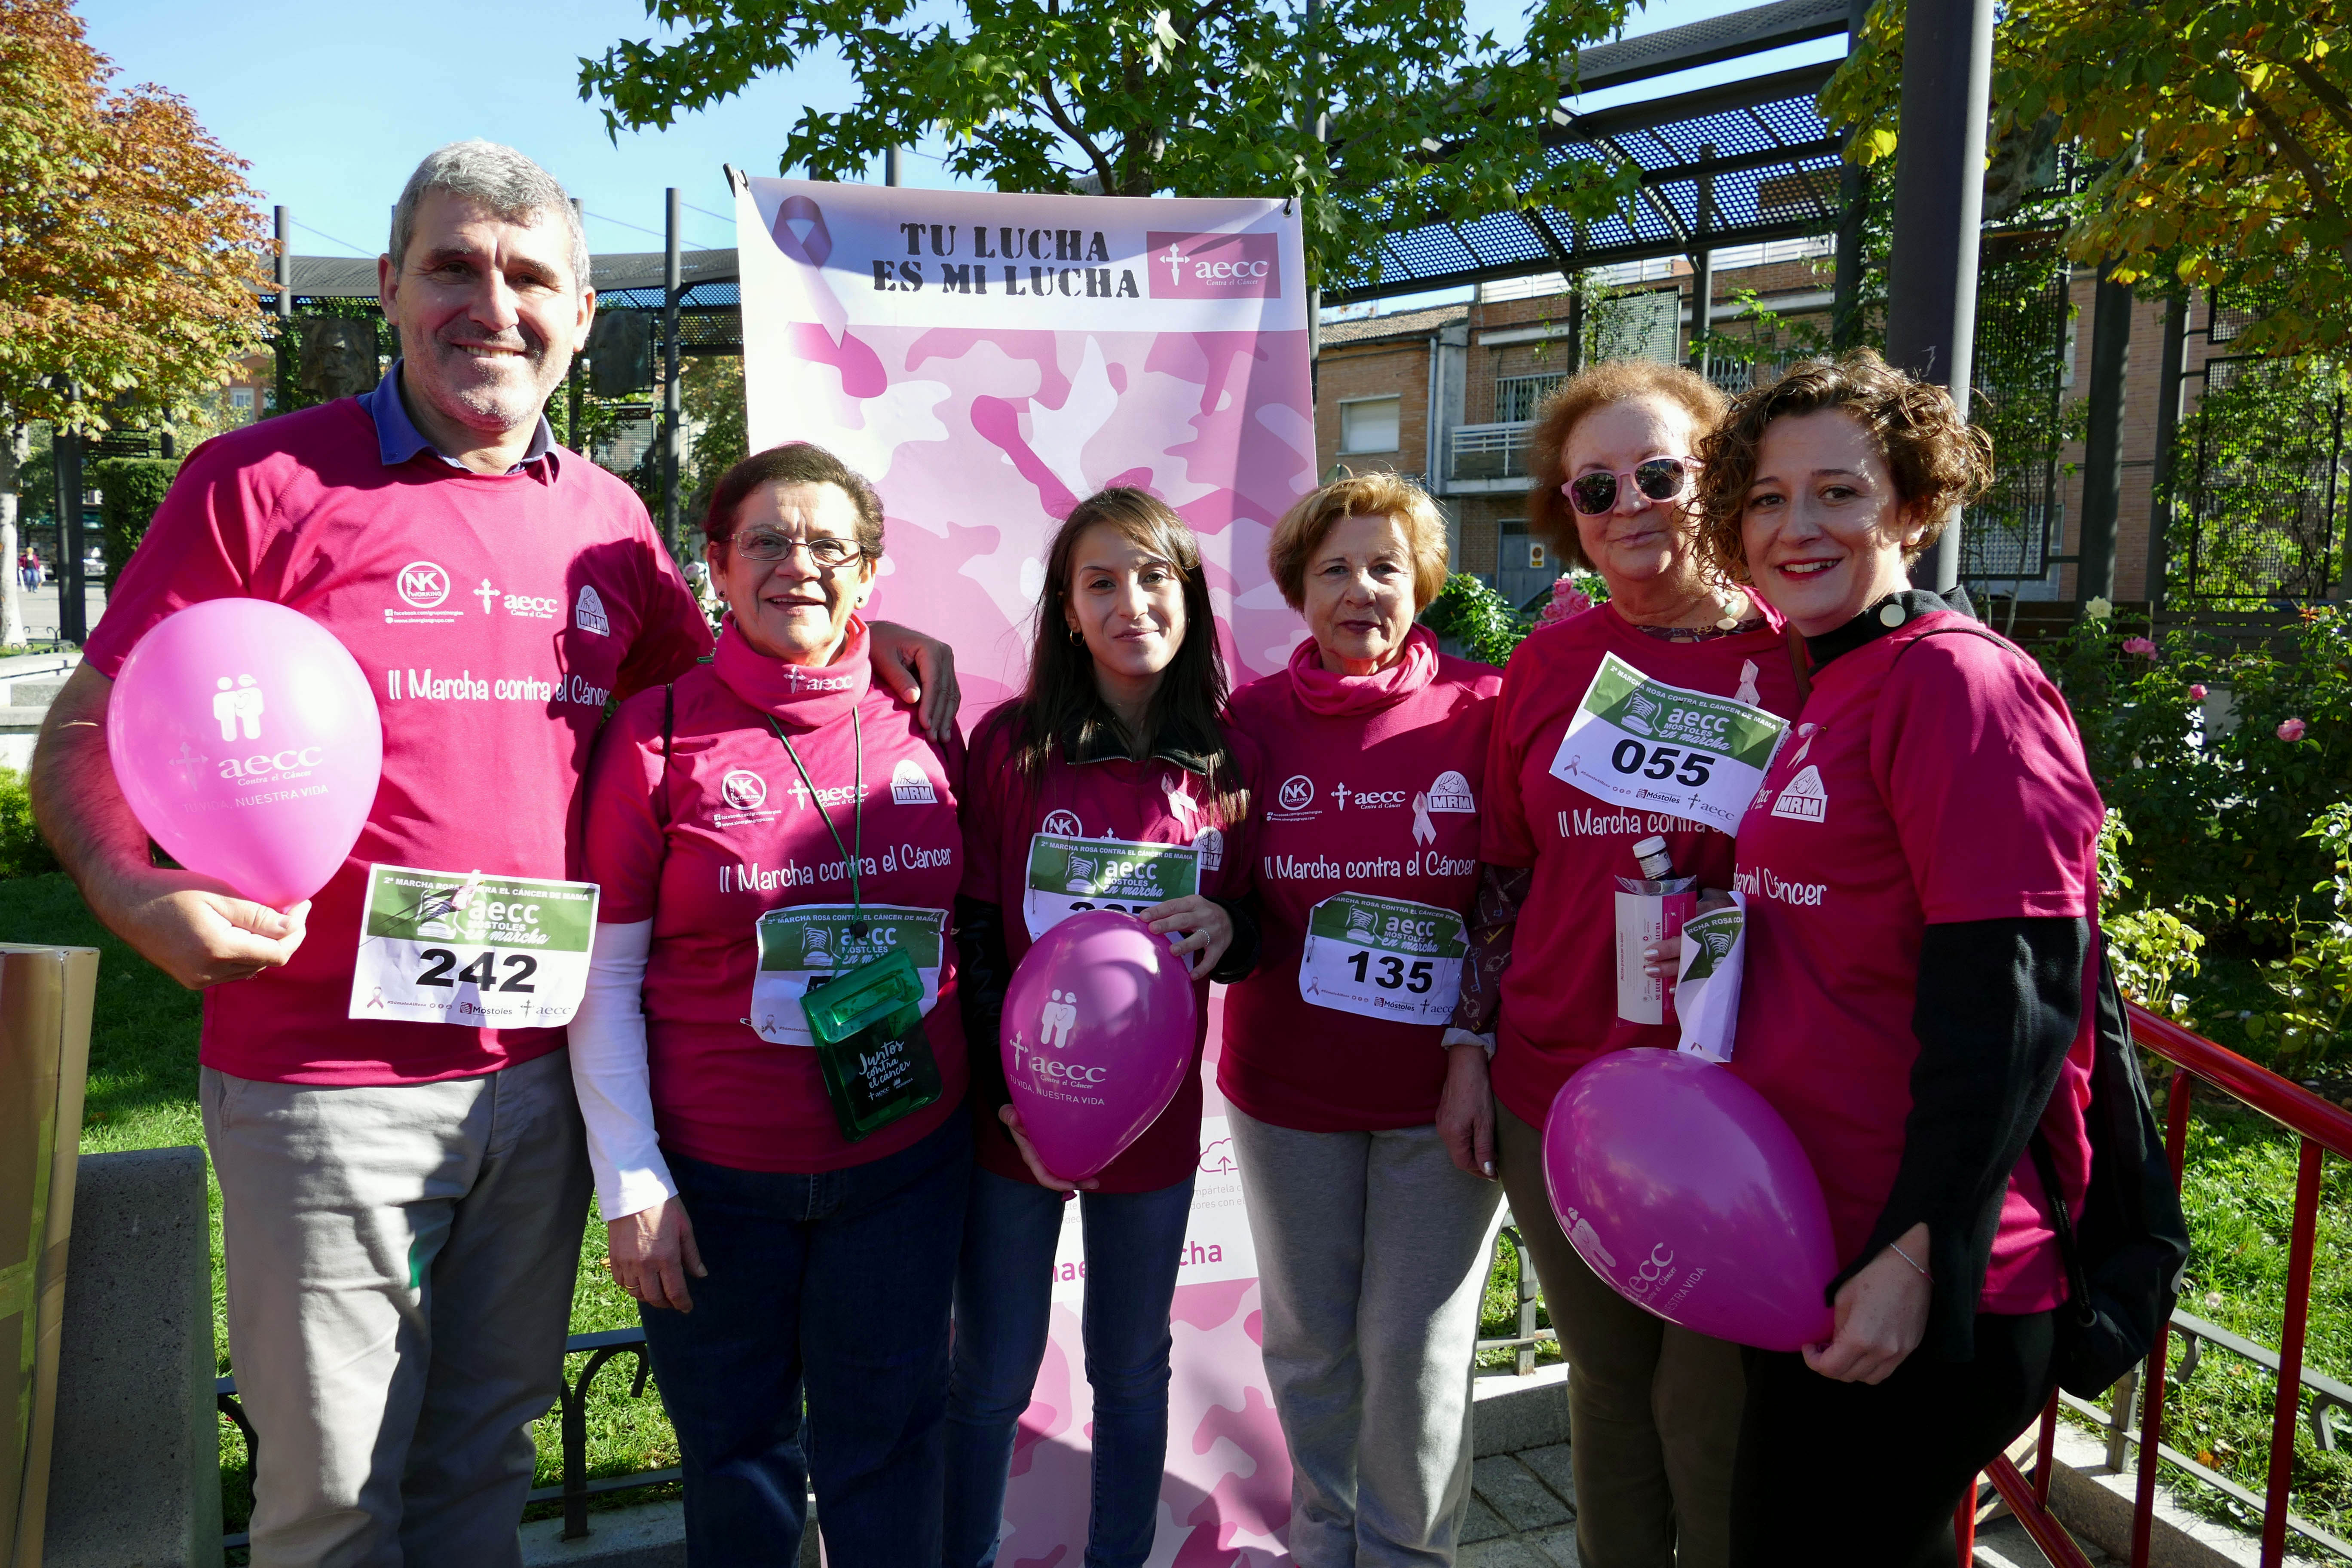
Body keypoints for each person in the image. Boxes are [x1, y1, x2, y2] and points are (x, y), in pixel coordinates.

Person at [28, 141, 955, 1568]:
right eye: (454, 266)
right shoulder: (258, 484)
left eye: (531, 277)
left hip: (535, 1083)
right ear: (391, 287)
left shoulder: (610, 525)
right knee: (332, 1495)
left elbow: (713, 697)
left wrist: (861, 641)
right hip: (322, 1083)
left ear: (584, 314)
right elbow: (89, 725)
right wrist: (130, 885)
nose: (492, 303)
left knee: (486, 1469)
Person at [1690, 352, 2101, 1566]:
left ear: (1915, 507)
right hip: (1817, 1236)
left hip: (1926, 1267)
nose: (1796, 528)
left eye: (1840, 493)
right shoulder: (1837, 679)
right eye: (1767, 498)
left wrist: (1919, 1256)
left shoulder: (1958, 681)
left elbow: (2015, 999)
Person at [571, 441, 971, 1565]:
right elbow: (601, 977)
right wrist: (630, 1177)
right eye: (768, 541)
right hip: (714, 1187)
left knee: (887, 1451)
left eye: (830, 544)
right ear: (717, 564)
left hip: (903, 1163)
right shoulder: (656, 733)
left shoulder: (928, 714)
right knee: (738, 1468)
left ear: (872, 571)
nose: (800, 565)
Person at [1442, 361, 1804, 1568]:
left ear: (1721, 480)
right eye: (1597, 489)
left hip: (1741, 1103)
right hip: (1557, 1089)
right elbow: (1503, 870)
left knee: (1709, 1417)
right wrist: (1469, 1044)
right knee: (1606, 1387)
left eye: (1661, 473)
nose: (1631, 505)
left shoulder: (1804, 661)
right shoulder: (1550, 666)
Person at [945, 487, 1260, 1568]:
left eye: (1155, 576)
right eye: (1102, 582)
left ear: (1191, 596)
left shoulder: (1228, 759)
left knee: (1133, 1369)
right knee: (988, 1374)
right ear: (1068, 611)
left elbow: (1261, 922)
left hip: (1157, 1127)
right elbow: (976, 937)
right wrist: (1007, 1100)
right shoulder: (1008, 750)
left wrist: (1231, 921)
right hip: (1013, 1122)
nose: (1133, 602)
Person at [1217, 472, 1504, 1565]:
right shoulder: (1249, 721)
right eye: (1335, 568)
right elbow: (1220, 883)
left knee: (1416, 1353)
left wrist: (1473, 1045)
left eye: (1386, 566)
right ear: (1299, 588)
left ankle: (1406, 1555)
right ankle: (1322, 1544)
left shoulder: (1484, 707)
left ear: (1422, 581)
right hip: (1288, 1088)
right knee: (1310, 1345)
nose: (1361, 590)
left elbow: (1512, 888)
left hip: (1445, 1097)